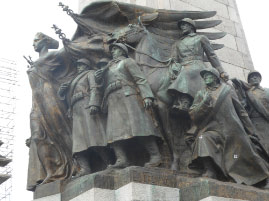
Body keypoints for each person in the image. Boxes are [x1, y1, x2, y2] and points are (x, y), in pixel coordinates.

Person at [186, 68, 269, 187]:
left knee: (247, 152)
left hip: (232, 128)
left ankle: (264, 176)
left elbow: (241, 110)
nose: (205, 78)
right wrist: (204, 103)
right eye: (204, 77)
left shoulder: (227, 89)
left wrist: (250, 130)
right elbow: (193, 114)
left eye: (208, 76)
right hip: (213, 128)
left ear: (215, 77)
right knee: (202, 139)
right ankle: (210, 170)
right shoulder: (201, 93)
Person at [95, 43, 162, 168]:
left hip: (128, 96)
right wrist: (99, 78)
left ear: (122, 51)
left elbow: (140, 79)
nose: (113, 52)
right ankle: (121, 159)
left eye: (116, 49)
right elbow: (100, 87)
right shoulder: (108, 67)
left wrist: (146, 95)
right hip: (113, 99)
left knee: (140, 126)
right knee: (114, 131)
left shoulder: (127, 62)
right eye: (112, 50)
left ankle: (155, 155)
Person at [26, 33, 73, 191]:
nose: (33, 44)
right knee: (38, 137)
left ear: (46, 42)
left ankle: (77, 164)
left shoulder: (52, 55)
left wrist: (68, 42)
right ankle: (51, 172)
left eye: (36, 40)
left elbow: (69, 52)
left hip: (50, 95)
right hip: (36, 101)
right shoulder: (35, 62)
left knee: (61, 130)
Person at [58, 58, 107, 176]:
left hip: (87, 106)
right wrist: (61, 92)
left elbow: (94, 88)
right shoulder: (73, 80)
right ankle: (85, 168)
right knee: (79, 142)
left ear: (86, 66)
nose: (78, 67)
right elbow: (68, 98)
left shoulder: (90, 74)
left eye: (81, 65)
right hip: (76, 111)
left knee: (95, 137)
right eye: (78, 65)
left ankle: (108, 162)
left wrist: (94, 103)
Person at [168, 18, 228, 113]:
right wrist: (173, 67)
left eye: (184, 25)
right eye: (181, 26)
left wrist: (221, 71)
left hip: (197, 64)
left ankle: (185, 102)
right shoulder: (177, 43)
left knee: (185, 73)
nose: (182, 27)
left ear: (191, 26)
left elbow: (212, 55)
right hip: (182, 65)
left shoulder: (201, 38)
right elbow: (174, 59)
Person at [232, 71, 269, 155]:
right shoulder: (246, 92)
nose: (254, 78)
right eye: (252, 77)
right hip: (254, 123)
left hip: (266, 121)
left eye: (257, 76)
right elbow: (242, 107)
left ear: (260, 79)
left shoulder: (267, 91)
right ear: (248, 81)